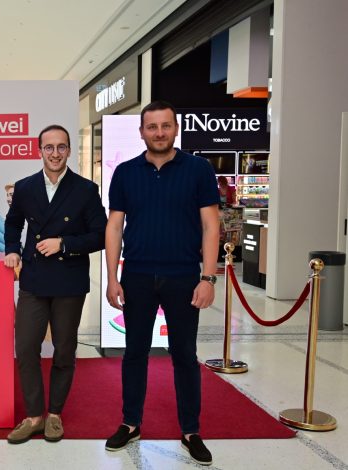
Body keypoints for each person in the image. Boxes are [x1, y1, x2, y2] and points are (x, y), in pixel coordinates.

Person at [104, 101, 220, 466]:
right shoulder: (125, 172)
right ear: (141, 132)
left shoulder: (198, 169)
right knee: (134, 353)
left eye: (165, 126)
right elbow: (114, 226)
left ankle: (191, 430)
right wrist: (112, 278)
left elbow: (211, 225)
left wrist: (208, 277)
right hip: (137, 276)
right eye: (152, 127)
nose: (159, 133)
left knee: (184, 354)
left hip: (183, 276)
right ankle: (130, 423)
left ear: (175, 129)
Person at [3, 124, 107, 444]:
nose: (55, 153)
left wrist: (63, 243)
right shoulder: (25, 187)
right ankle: (34, 415)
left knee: (64, 350)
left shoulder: (85, 190)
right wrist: (12, 249)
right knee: (26, 347)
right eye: (49, 147)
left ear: (69, 150)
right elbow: (12, 223)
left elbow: (100, 235)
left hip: (69, 281)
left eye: (61, 147)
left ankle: (54, 415)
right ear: (39, 151)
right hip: (34, 279)